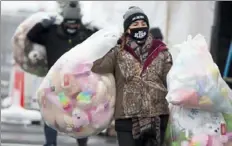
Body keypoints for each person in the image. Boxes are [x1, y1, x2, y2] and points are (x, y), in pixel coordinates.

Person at [91, 6, 172, 146]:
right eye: (135, 24)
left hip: (157, 117)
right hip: (127, 119)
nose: (140, 27)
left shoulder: (161, 51)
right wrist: (107, 45)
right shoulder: (118, 52)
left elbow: (171, 78)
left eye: (143, 24)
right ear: (127, 29)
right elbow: (97, 66)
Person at [27, 1, 98, 146]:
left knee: (80, 116)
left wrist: (95, 28)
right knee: (52, 114)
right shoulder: (52, 33)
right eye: (69, 24)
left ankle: (82, 143)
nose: (72, 27)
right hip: (56, 85)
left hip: (81, 86)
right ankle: (51, 143)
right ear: (64, 22)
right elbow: (32, 36)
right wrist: (43, 24)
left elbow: (104, 41)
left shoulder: (86, 34)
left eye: (75, 24)